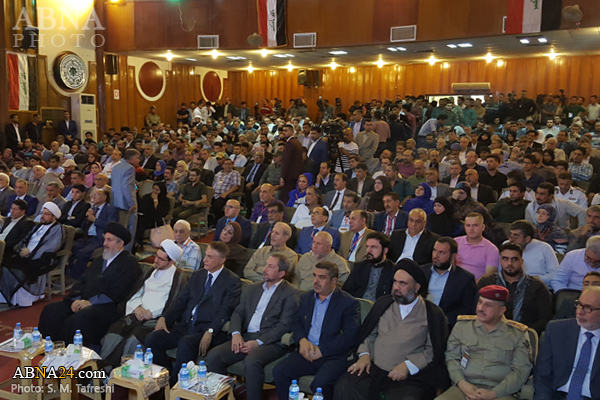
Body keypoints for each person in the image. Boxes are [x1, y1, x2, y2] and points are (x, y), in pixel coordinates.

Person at [334, 260, 450, 400]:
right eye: (395, 282)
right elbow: (369, 334)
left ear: (417, 287)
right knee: (345, 386)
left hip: (409, 375)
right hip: (372, 368)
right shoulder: (383, 304)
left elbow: (432, 350)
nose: (396, 287)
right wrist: (364, 355)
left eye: (403, 283)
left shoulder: (432, 313)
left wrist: (408, 366)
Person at [144, 242, 241, 385]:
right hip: (186, 325)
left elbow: (225, 310)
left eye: (210, 257)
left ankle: (175, 387)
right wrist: (165, 317)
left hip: (207, 330)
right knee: (152, 339)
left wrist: (211, 330)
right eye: (205, 255)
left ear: (221, 260)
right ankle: (165, 378)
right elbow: (181, 300)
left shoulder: (232, 281)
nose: (204, 259)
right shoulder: (198, 275)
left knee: (186, 342)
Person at [206, 253, 299, 400]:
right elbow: (238, 312)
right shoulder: (254, 288)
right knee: (214, 356)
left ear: (281, 273)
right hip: (245, 336)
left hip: (271, 342)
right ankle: (225, 397)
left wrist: (258, 342)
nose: (264, 269)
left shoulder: (291, 293)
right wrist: (236, 333)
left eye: (270, 266)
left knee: (252, 361)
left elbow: (284, 326)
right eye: (266, 264)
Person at [38, 222, 141, 344]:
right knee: (51, 310)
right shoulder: (99, 260)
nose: (105, 244)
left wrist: (90, 302)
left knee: (79, 319)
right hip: (84, 301)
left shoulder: (129, 264)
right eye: (105, 239)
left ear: (121, 243)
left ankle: (67, 351)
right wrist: (76, 299)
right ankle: (48, 348)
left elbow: (118, 292)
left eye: (109, 240)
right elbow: (82, 282)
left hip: (107, 307)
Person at [272, 261, 361, 400]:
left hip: (333, 356)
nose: (316, 281)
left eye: (322, 277)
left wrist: (322, 351)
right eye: (314, 276)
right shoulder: (306, 297)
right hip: (307, 351)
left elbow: (349, 336)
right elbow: (296, 323)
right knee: (279, 371)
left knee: (320, 384)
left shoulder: (349, 303)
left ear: (334, 281)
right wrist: (302, 341)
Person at [99, 240, 186, 370]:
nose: (155, 260)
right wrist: (137, 307)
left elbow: (175, 304)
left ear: (172, 261)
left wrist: (151, 313)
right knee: (113, 334)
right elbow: (135, 293)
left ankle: (124, 373)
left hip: (155, 319)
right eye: (156, 256)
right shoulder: (150, 271)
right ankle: (103, 370)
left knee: (134, 340)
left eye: (161, 259)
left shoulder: (179, 277)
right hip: (136, 314)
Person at [438, 285, 533, 400]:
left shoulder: (517, 334)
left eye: (488, 305)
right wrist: (462, 383)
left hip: (501, 392)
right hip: (464, 388)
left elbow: (520, 371)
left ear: (501, 310)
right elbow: (451, 358)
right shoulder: (462, 327)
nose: (480, 308)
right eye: (480, 302)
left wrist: (493, 393)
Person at [534, 286, 600, 400]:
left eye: (588, 308)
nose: (580, 312)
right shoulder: (556, 330)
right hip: (558, 395)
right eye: (579, 304)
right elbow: (542, 376)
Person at [477, 243, 553, 334]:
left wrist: (523, 334)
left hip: (525, 335)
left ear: (521, 261)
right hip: (488, 333)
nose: (509, 263)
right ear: (500, 260)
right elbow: (475, 312)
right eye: (505, 259)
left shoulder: (537, 286)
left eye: (514, 259)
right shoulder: (487, 283)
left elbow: (544, 319)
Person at [0, 202, 64, 307]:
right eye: (42, 213)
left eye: (46, 214)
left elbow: (51, 247)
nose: (43, 216)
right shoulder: (38, 226)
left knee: (19, 268)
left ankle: (22, 299)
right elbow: (25, 239)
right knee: (5, 263)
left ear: (54, 217)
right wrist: (21, 250)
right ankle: (6, 296)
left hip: (40, 258)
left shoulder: (57, 228)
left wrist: (30, 251)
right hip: (25, 254)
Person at [421, 237, 476, 328]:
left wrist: (444, 320)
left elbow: (467, 308)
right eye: (434, 251)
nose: (436, 255)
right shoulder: (422, 271)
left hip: (445, 324)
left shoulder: (465, 278)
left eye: (441, 252)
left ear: (453, 256)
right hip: (419, 318)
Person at [68, 188, 119, 280]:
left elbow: (111, 226)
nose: (93, 197)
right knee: (70, 247)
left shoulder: (110, 209)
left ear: (104, 197)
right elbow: (83, 226)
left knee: (83, 253)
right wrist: (87, 218)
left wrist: (95, 220)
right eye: (93, 195)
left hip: (98, 237)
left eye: (96, 195)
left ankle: (75, 277)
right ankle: (68, 272)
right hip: (86, 236)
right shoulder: (92, 209)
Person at [342, 232, 395, 301]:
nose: (369, 251)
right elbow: (347, 291)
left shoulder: (393, 270)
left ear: (385, 251)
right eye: (367, 247)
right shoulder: (359, 267)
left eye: (373, 247)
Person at [111, 149, 139, 252]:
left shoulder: (116, 166)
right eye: (137, 158)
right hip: (126, 204)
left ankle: (116, 252)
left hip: (115, 202)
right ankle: (126, 253)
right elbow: (126, 186)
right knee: (129, 231)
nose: (139, 160)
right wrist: (132, 203)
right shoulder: (130, 168)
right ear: (131, 158)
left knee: (118, 231)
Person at [455, 213, 499, 280]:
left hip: (477, 284)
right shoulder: (455, 242)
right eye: (468, 225)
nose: (471, 229)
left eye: (475, 225)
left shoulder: (492, 249)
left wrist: (472, 285)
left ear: (483, 227)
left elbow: (489, 275)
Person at [279, 124, 304, 204]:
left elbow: (286, 161)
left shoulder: (290, 143)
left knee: (286, 196)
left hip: (289, 175)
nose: (283, 132)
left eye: (286, 131)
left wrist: (282, 176)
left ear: (292, 132)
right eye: (283, 131)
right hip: (296, 173)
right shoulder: (297, 142)